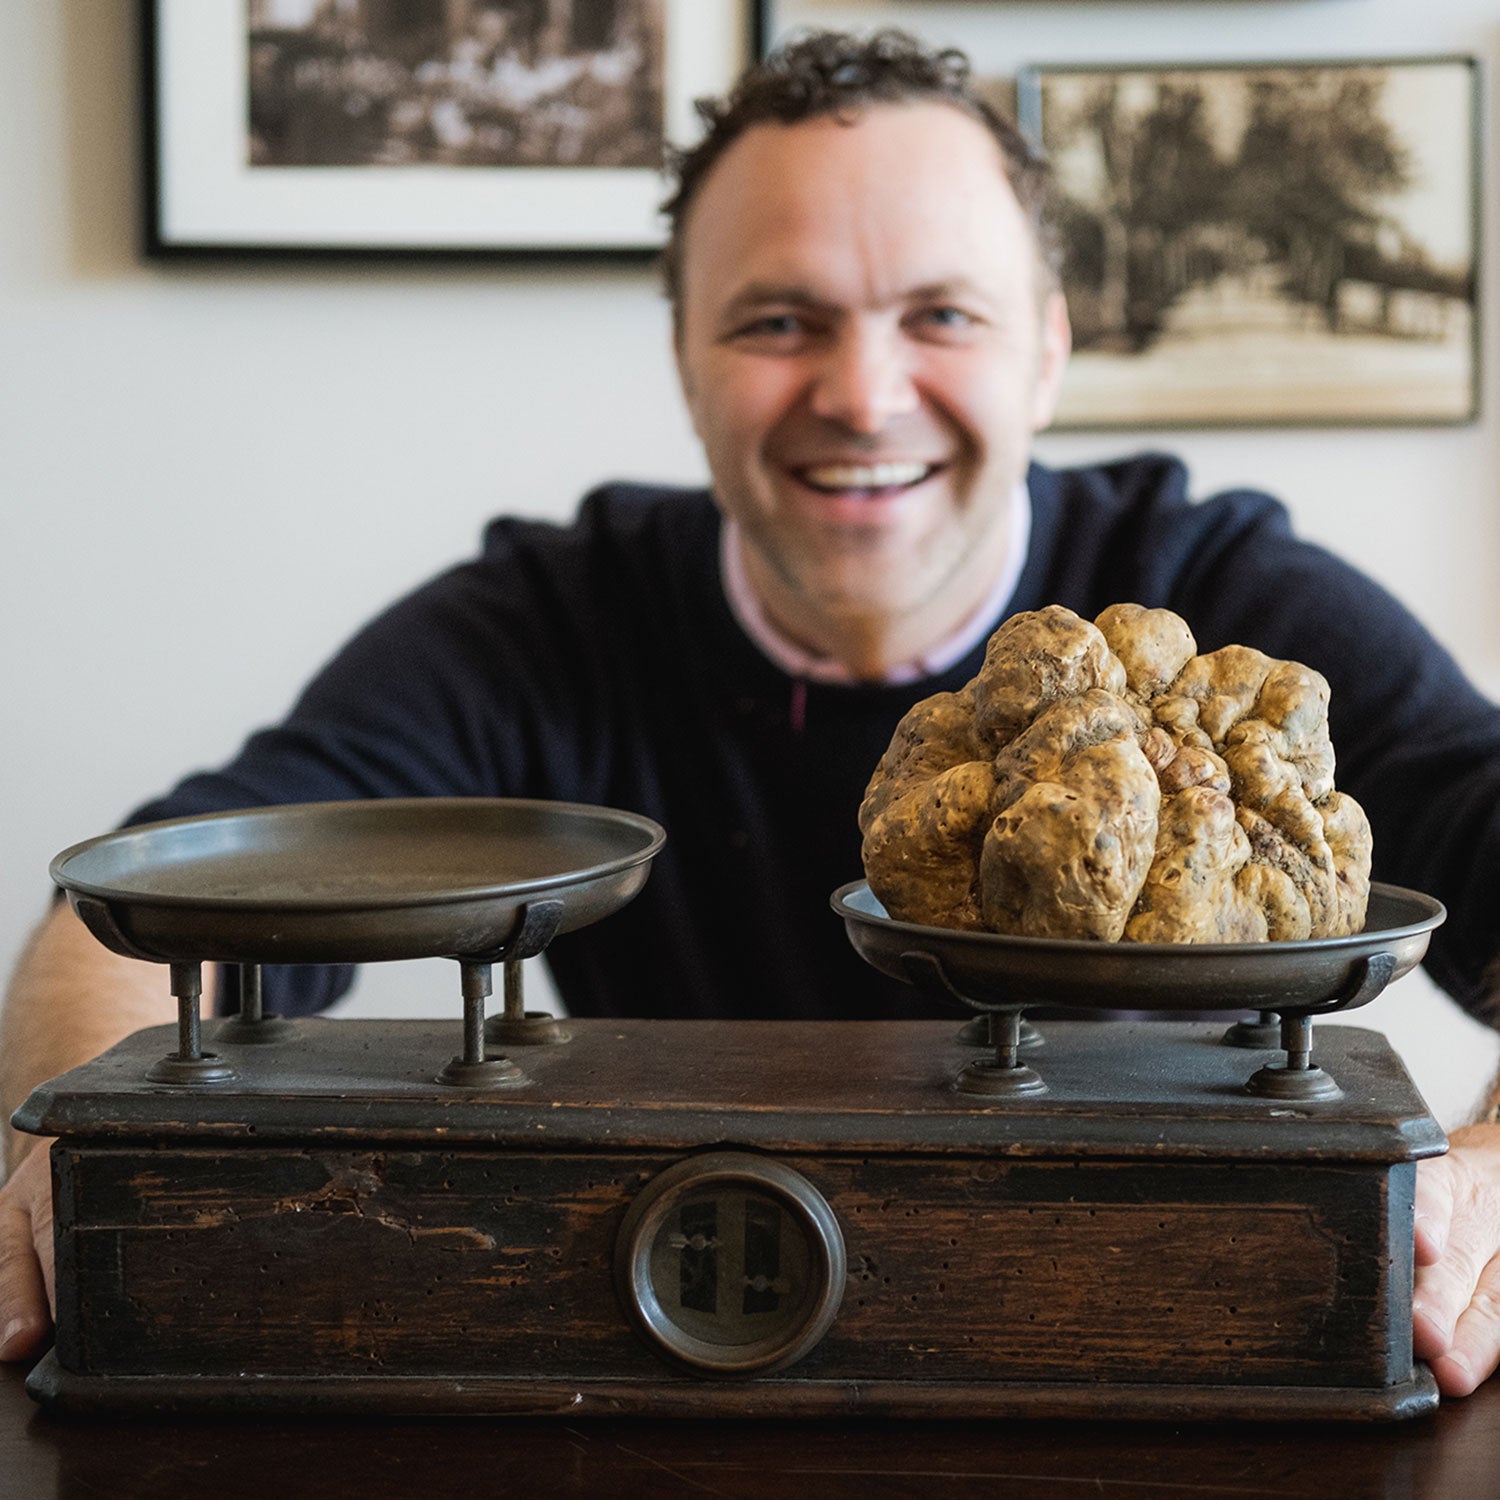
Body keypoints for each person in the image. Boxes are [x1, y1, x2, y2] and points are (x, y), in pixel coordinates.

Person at [4, 29, 1499, 1395]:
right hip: (649, 1372)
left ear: (1048, 349)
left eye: (941, 313)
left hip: (1147, 1354)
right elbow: (155, 902)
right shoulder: (546, 620)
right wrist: (74, 1158)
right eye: (779, 320)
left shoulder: (1222, 610)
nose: (863, 394)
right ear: (685, 359)